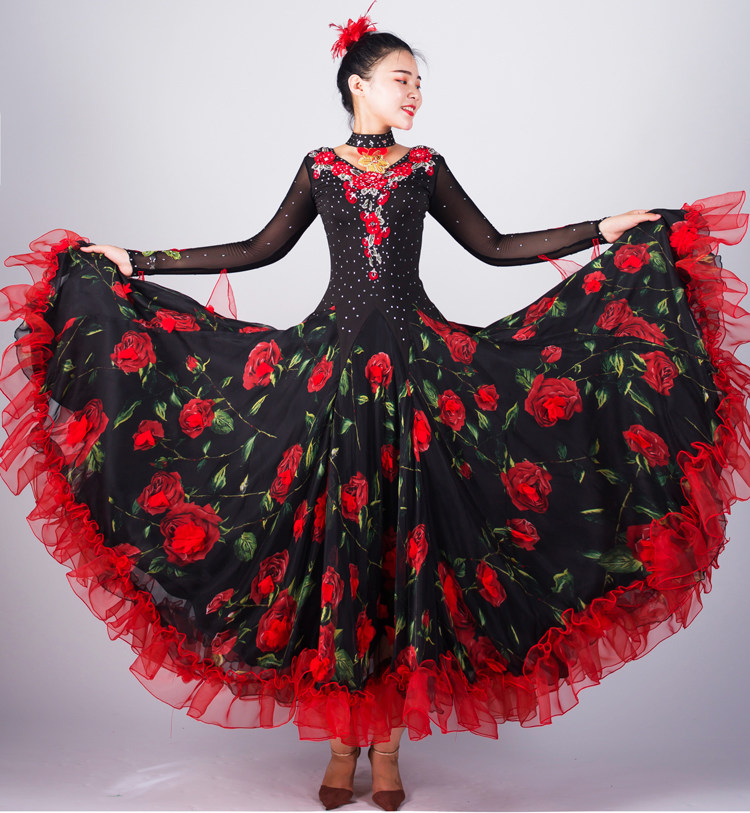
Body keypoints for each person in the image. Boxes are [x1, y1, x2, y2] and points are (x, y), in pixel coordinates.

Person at [1, 5, 747, 812]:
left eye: (419, 83)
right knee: (339, 553)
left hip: (419, 374)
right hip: (334, 376)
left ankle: (386, 749)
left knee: (403, 556)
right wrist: (137, 259)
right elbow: (259, 248)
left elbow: (495, 246)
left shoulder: (425, 167)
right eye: (401, 79)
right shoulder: (320, 167)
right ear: (358, 85)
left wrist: (602, 228)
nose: (414, 93)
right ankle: (340, 744)